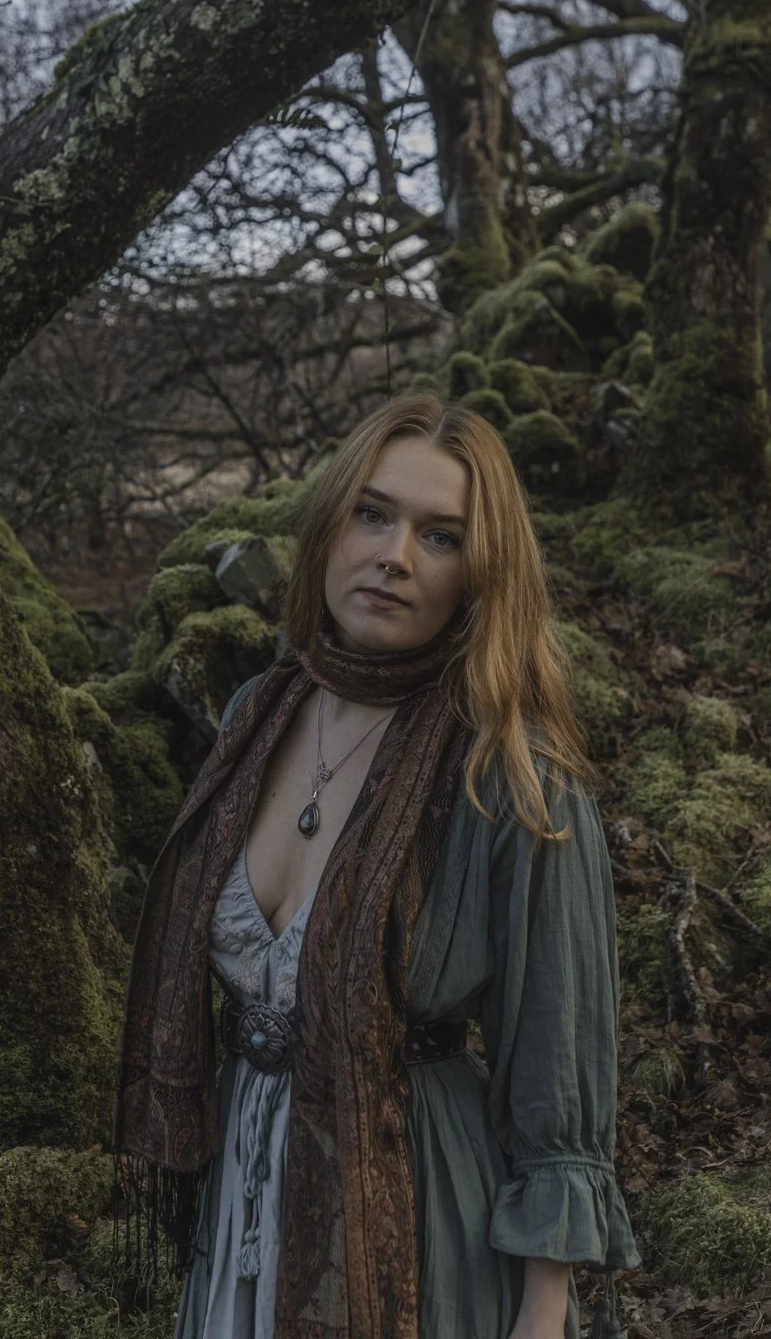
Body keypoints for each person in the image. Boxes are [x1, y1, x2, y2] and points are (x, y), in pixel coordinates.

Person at [115, 393, 638, 1339]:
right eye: (373, 513)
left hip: (421, 1216)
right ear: (328, 527)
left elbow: (557, 1078)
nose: (396, 555)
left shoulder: (512, 777)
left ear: (481, 575)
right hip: (240, 1196)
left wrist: (543, 1314)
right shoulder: (255, 720)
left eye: (441, 537)